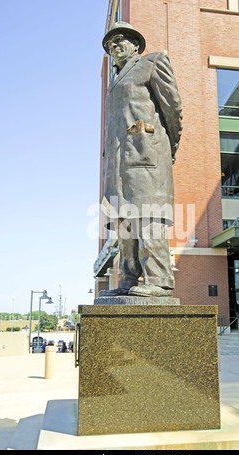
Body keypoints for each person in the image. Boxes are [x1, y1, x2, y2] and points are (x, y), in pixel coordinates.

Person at [99, 22, 183, 298]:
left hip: (146, 157)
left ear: (136, 44)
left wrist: (166, 148)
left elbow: (173, 109)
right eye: (111, 43)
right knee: (124, 224)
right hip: (117, 165)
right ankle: (129, 278)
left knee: (148, 217)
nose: (115, 45)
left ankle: (158, 279)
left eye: (121, 39)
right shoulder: (114, 82)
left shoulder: (153, 62)